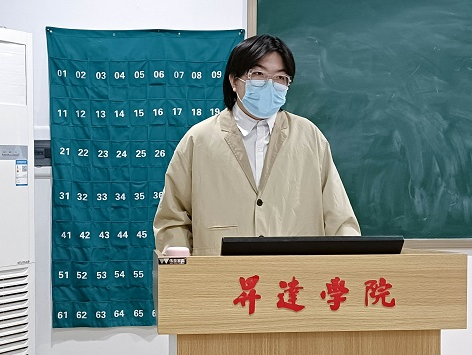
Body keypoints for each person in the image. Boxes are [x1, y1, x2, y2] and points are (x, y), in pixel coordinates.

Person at [153, 34, 360, 256]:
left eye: (280, 77)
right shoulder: (199, 139)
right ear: (234, 81)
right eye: (258, 74)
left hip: (295, 273)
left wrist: (352, 262)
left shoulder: (309, 137)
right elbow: (173, 219)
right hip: (222, 273)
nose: (270, 84)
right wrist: (183, 265)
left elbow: (339, 218)